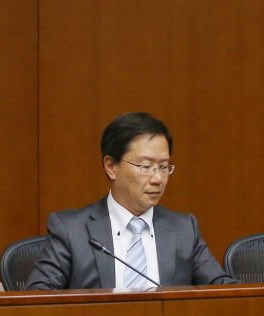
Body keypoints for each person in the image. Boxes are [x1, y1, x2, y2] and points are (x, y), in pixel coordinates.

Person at [27, 112, 235, 289]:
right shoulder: (71, 230)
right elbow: (39, 297)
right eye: (145, 166)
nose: (157, 179)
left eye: (163, 167)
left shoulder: (184, 230)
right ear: (111, 166)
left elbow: (223, 290)